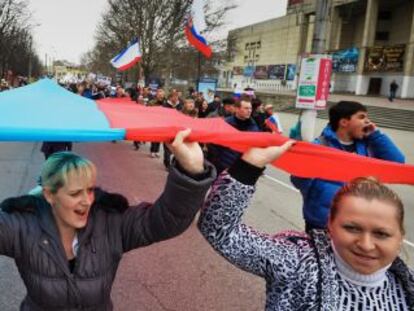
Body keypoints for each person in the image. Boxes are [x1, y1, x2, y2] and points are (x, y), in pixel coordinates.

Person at [0, 129, 216, 310]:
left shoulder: (110, 221)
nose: (87, 201)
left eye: (90, 190)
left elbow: (165, 220)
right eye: (75, 194)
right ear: (49, 195)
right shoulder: (21, 225)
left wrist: (192, 171)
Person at [199, 142, 413, 310]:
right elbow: (220, 231)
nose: (366, 245)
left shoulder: (406, 286)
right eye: (352, 228)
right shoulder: (298, 261)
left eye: (381, 234)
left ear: (400, 235)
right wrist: (249, 166)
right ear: (330, 224)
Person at [291, 101, 405, 232]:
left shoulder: (368, 145)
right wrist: (319, 196)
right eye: (362, 117)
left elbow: (397, 163)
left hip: (358, 221)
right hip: (322, 223)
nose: (368, 122)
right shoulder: (319, 146)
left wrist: (376, 135)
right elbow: (298, 180)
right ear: (344, 122)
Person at [207, 95, 260, 174]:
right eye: (246, 108)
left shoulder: (254, 127)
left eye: (250, 108)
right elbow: (214, 145)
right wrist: (219, 163)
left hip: (243, 168)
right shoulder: (226, 124)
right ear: (237, 109)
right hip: (224, 168)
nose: (249, 111)